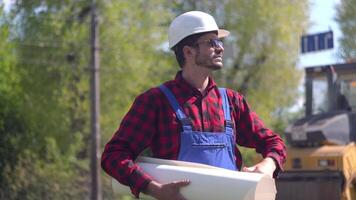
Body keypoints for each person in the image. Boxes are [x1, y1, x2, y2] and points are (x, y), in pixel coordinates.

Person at [101, 11, 286, 200]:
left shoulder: (232, 101)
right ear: (188, 51)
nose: (220, 48)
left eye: (220, 42)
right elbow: (113, 156)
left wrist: (268, 165)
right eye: (211, 42)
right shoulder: (155, 102)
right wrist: (152, 188)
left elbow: (273, 142)